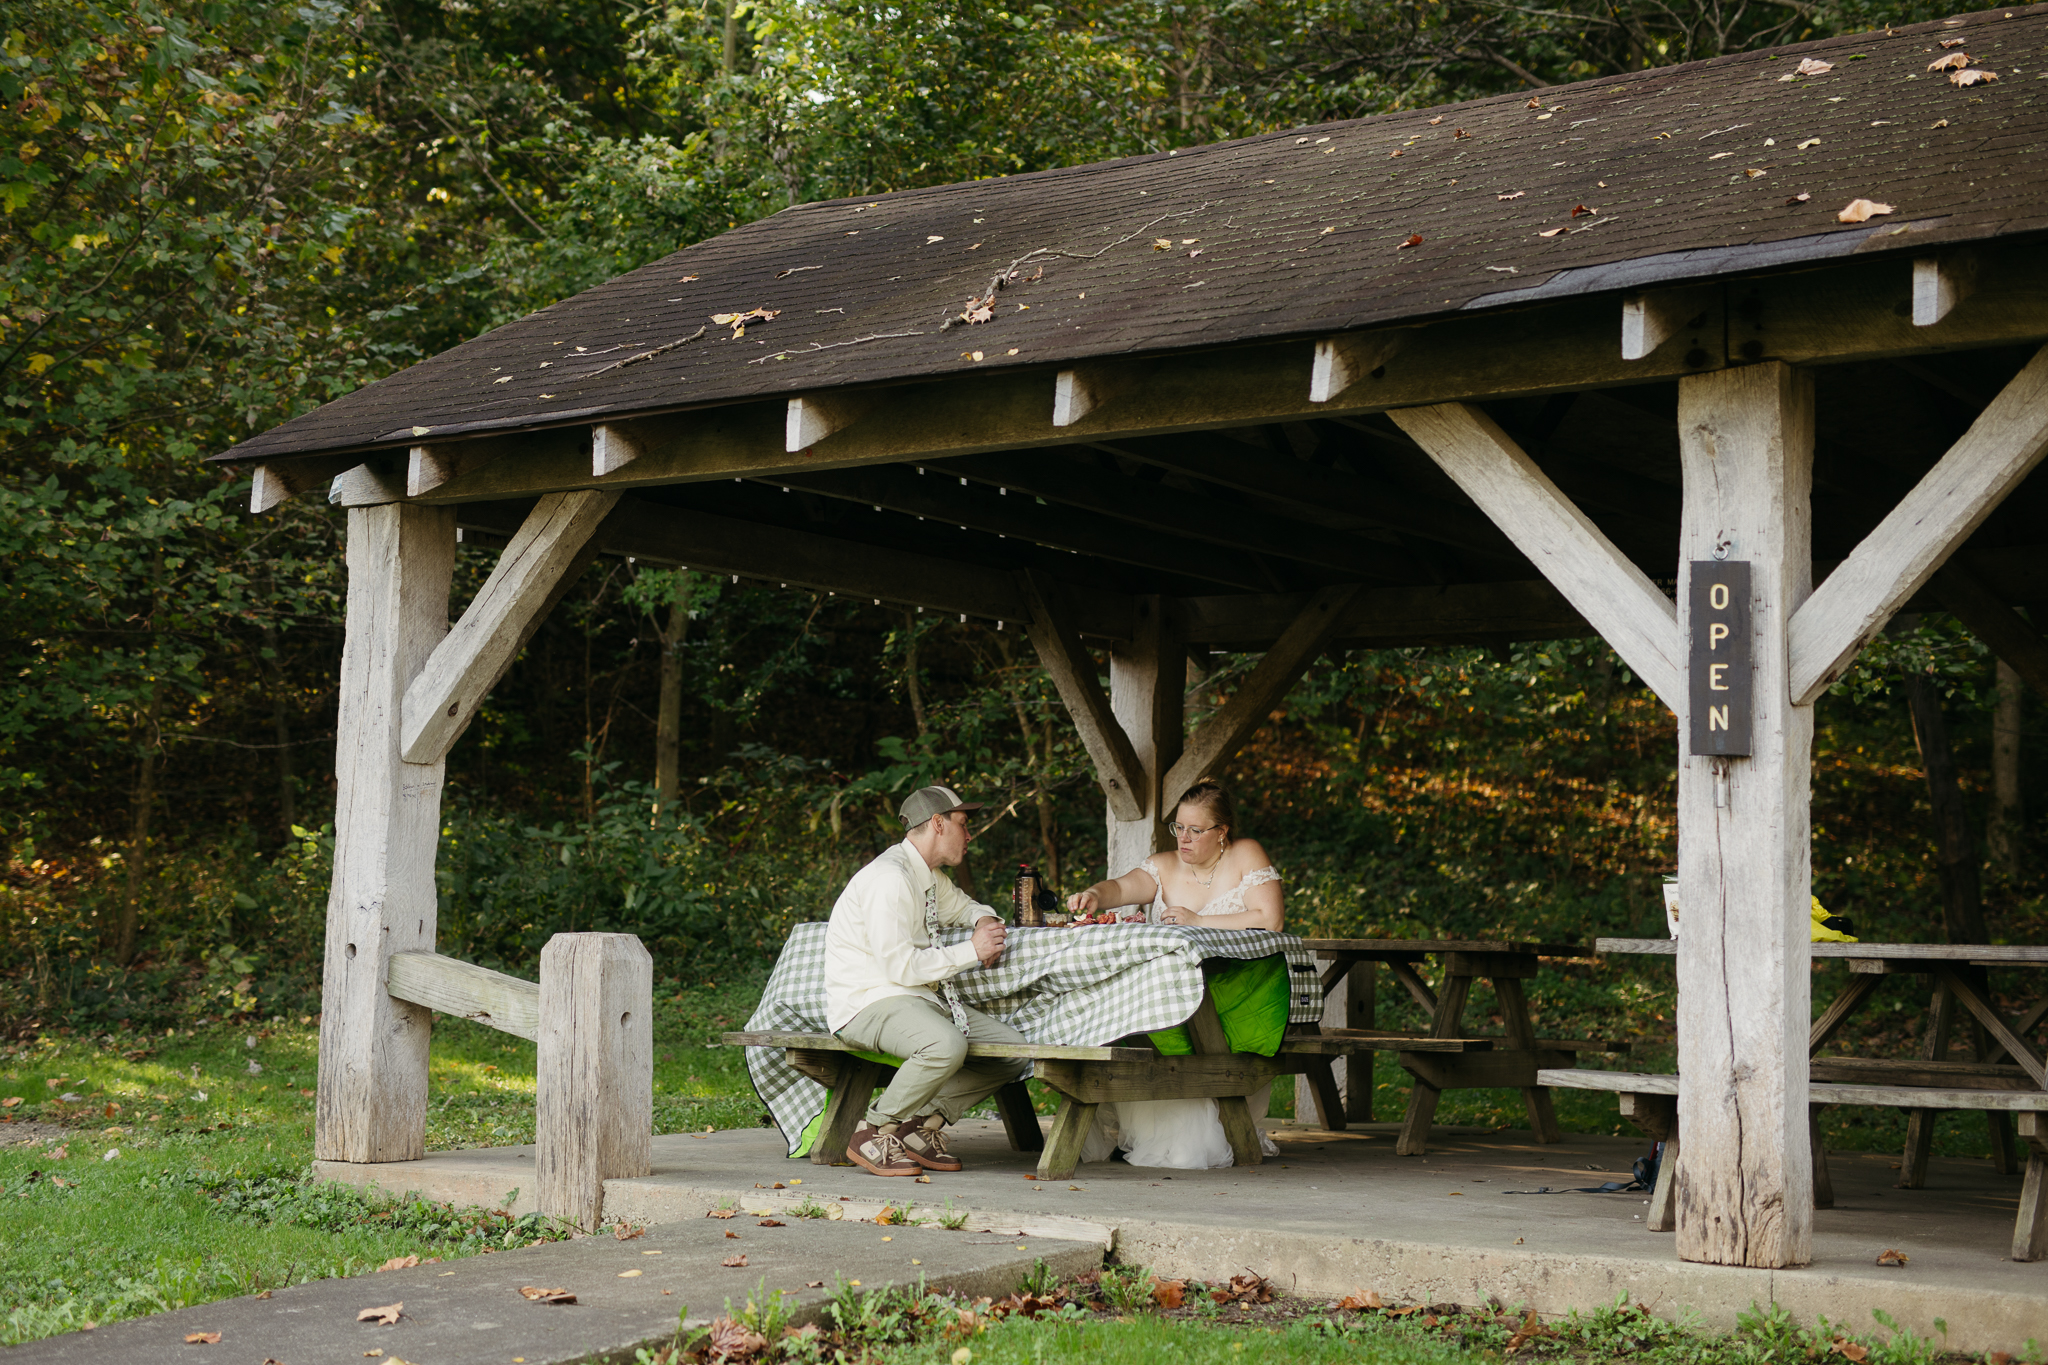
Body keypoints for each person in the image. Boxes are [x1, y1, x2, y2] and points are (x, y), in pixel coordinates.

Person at [1063, 779, 1285, 1168]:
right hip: (1168, 987)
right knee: (1113, 1005)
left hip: (1237, 983)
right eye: (1178, 827)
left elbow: (1270, 919)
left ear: (1222, 832)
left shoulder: (1245, 854)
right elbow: (1120, 886)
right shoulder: (1165, 864)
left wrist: (1200, 920)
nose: (1184, 838)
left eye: (1195, 830)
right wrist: (1095, 894)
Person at [825, 784, 1029, 1177]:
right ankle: (872, 1131)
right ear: (938, 823)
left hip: (915, 1000)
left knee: (1013, 1051)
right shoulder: (890, 878)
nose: (969, 835)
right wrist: (972, 950)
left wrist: (983, 919)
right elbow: (899, 968)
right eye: (963, 824)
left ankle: (920, 1128)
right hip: (868, 1003)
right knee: (945, 1045)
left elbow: (963, 906)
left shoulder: (926, 875)